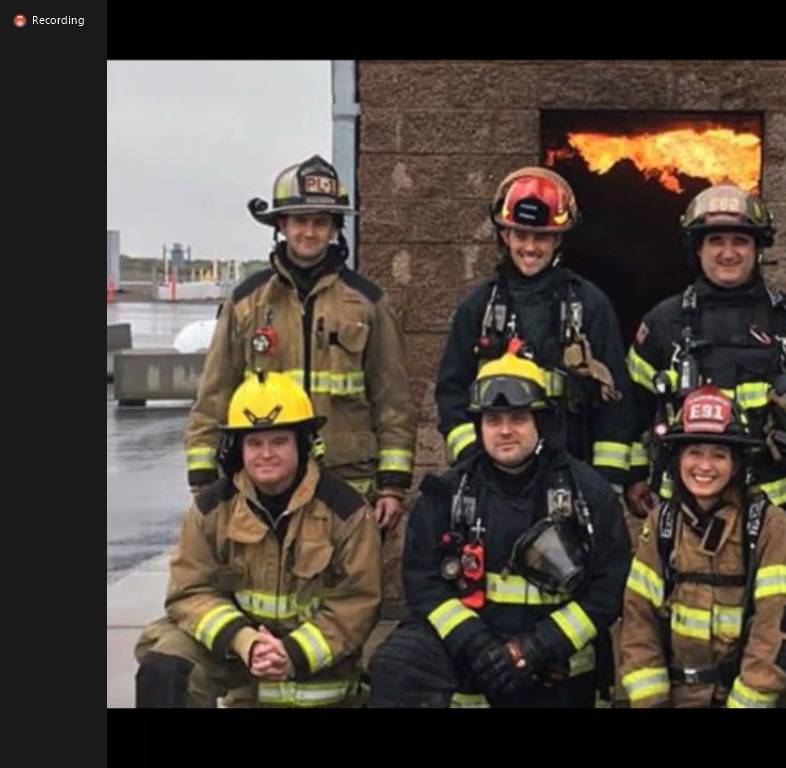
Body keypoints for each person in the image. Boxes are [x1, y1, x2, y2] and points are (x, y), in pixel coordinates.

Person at [368, 345, 630, 707]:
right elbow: (423, 583)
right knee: (398, 665)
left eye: (518, 418)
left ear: (541, 421)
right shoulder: (447, 495)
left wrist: (537, 647)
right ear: (479, 426)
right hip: (475, 663)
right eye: (493, 420)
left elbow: (608, 590)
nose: (505, 431)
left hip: (557, 670)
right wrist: (475, 644)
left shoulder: (588, 495)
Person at [625, 184, 786, 579]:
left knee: (785, 610)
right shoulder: (663, 324)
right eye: (716, 241)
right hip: (685, 506)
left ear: (758, 248)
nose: (728, 253)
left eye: (740, 242)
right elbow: (629, 410)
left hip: (777, 503)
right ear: (697, 248)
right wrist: (631, 477)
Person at [185, 155, 416, 531]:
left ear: (334, 228)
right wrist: (204, 481)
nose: (309, 232)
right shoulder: (246, 303)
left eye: (321, 222)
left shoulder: (368, 303)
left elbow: (393, 402)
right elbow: (214, 395)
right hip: (265, 482)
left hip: (349, 483)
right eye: (300, 221)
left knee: (348, 585)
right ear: (282, 225)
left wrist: (392, 485)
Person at [135, 371, 382, 707]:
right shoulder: (212, 509)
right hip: (236, 652)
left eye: (279, 441)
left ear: (303, 443)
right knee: (165, 666)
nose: (266, 454)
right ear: (239, 448)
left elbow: (356, 604)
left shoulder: (347, 512)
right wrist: (244, 640)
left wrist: (290, 653)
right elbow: (189, 591)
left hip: (313, 658)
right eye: (254, 442)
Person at [434, 166, 635, 491]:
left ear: (558, 239)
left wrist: (605, 485)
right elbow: (451, 392)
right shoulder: (479, 307)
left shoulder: (589, 305)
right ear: (504, 236)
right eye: (520, 235)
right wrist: (472, 457)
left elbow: (616, 404)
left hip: (571, 471)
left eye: (541, 236)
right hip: (493, 478)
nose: (530, 247)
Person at [618, 386, 786, 708]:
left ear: (738, 464)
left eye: (719, 455)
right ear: (677, 458)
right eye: (694, 452)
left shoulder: (772, 527)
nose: (704, 466)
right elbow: (639, 624)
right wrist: (651, 702)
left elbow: (778, 634)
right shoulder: (661, 526)